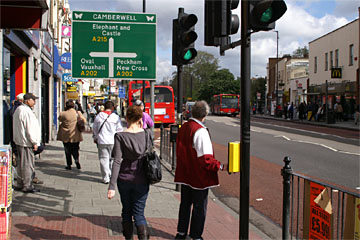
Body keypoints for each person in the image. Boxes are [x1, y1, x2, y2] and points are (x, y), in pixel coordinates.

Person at [174, 101, 227, 240]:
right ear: (205, 114)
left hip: (185, 174)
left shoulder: (184, 127)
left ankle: (181, 233)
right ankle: (195, 236)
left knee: (185, 205)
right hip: (198, 177)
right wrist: (221, 166)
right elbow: (206, 159)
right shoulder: (200, 131)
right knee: (199, 207)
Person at [107, 106, 151, 240]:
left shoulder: (120, 136)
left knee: (126, 211)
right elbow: (149, 155)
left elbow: (117, 161)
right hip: (142, 179)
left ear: (126, 119)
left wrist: (111, 186)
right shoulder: (147, 134)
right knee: (139, 213)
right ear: (140, 119)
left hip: (124, 179)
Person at [12, 93, 41, 193]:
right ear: (28, 100)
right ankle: (27, 185)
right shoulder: (26, 111)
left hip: (19, 141)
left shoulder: (19, 109)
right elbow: (30, 128)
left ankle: (20, 182)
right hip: (26, 142)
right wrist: (34, 142)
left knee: (20, 163)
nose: (35, 102)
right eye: (33, 100)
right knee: (28, 164)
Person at [93, 101, 123, 184]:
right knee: (113, 159)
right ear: (113, 107)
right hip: (113, 141)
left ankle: (106, 177)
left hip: (102, 141)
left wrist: (95, 137)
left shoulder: (99, 116)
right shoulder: (115, 117)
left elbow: (94, 128)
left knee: (103, 159)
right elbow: (120, 129)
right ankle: (112, 175)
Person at [57, 100, 86, 170]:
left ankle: (69, 164)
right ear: (73, 106)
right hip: (75, 134)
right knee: (75, 149)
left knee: (67, 150)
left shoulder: (63, 114)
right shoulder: (77, 113)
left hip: (65, 134)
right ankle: (76, 159)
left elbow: (59, 119)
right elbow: (84, 120)